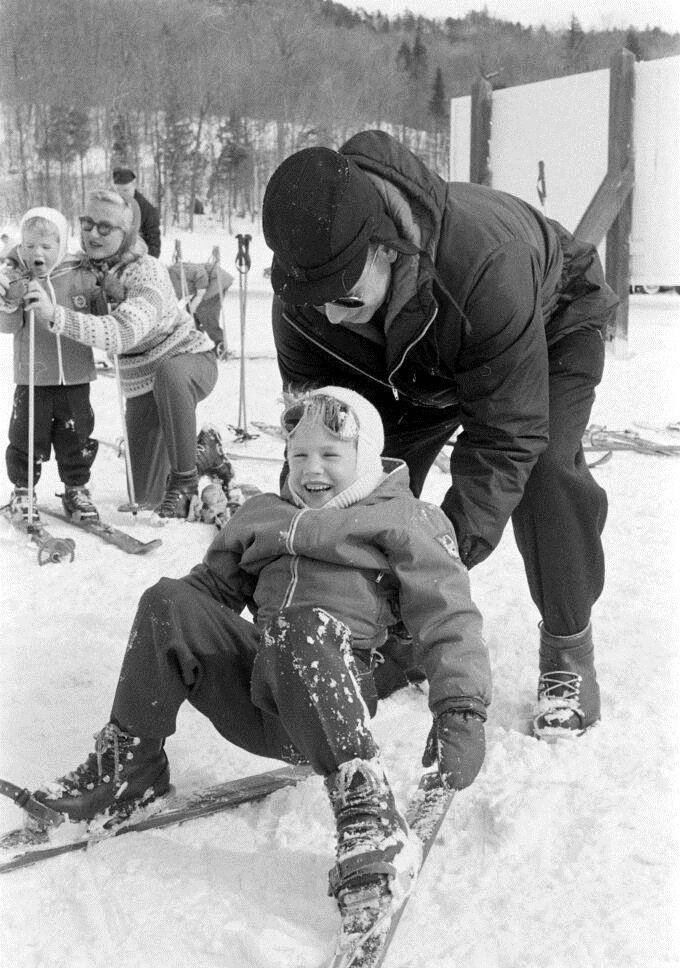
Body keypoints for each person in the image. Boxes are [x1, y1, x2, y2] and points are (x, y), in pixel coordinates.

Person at [35, 387, 491, 930]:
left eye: (330, 456)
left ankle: (366, 808)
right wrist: (171, 630)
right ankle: (129, 772)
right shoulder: (262, 516)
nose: (311, 469)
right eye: (298, 456)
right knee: (167, 601)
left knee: (303, 624)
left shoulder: (406, 520)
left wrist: (460, 708)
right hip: (260, 691)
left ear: (366, 458)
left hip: (337, 693)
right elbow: (209, 594)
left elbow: (448, 616)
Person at [262, 130, 619, 741]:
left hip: (546, 320)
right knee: (357, 479)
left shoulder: (485, 261)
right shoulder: (308, 293)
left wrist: (440, 556)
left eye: (345, 299)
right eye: (314, 302)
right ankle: (379, 633)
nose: (330, 317)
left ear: (386, 249)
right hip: (406, 362)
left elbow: (508, 434)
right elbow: (321, 444)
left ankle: (567, 644)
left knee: (546, 471)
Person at [22, 190, 223, 518]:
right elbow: (34, 260)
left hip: (188, 360)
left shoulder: (148, 272)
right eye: (87, 223)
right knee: (144, 496)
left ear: (126, 232)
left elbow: (120, 334)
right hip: (141, 382)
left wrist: (55, 315)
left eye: (105, 227)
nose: (92, 234)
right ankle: (203, 451)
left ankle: (186, 481)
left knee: (169, 374)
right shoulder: (82, 268)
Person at [0, 208, 100, 522]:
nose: (37, 253)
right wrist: (8, 302)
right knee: (27, 435)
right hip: (33, 377)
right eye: (29, 246)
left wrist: (108, 293)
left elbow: (99, 317)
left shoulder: (81, 273)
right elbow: (8, 326)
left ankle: (77, 489)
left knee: (77, 436)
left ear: (62, 244)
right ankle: (23, 490)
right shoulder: (16, 277)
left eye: (45, 246)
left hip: (75, 375)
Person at [112, 168, 161, 259]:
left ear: (134, 185)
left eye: (126, 190)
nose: (121, 194)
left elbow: (154, 246)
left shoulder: (148, 210)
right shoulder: (111, 205)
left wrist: (144, 266)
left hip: (138, 259)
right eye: (118, 190)